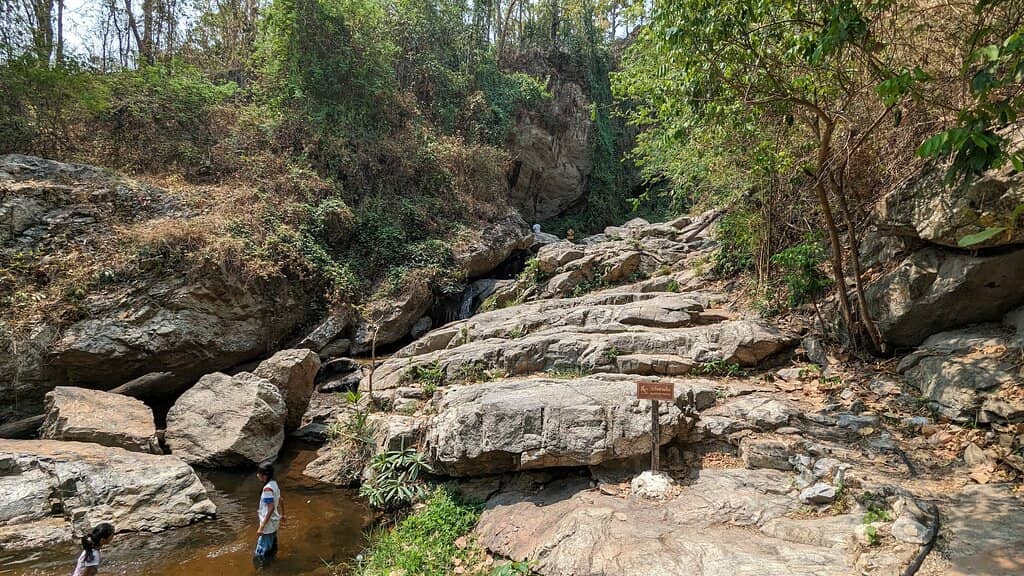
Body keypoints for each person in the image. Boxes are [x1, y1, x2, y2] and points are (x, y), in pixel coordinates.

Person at [254, 460, 282, 567]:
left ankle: (261, 570)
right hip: (274, 522)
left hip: (268, 524)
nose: (257, 475)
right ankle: (273, 564)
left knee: (260, 552)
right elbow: (281, 499)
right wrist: (283, 515)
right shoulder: (274, 484)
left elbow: (270, 509)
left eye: (259, 473)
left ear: (264, 475)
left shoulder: (267, 489)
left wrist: (262, 526)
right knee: (272, 546)